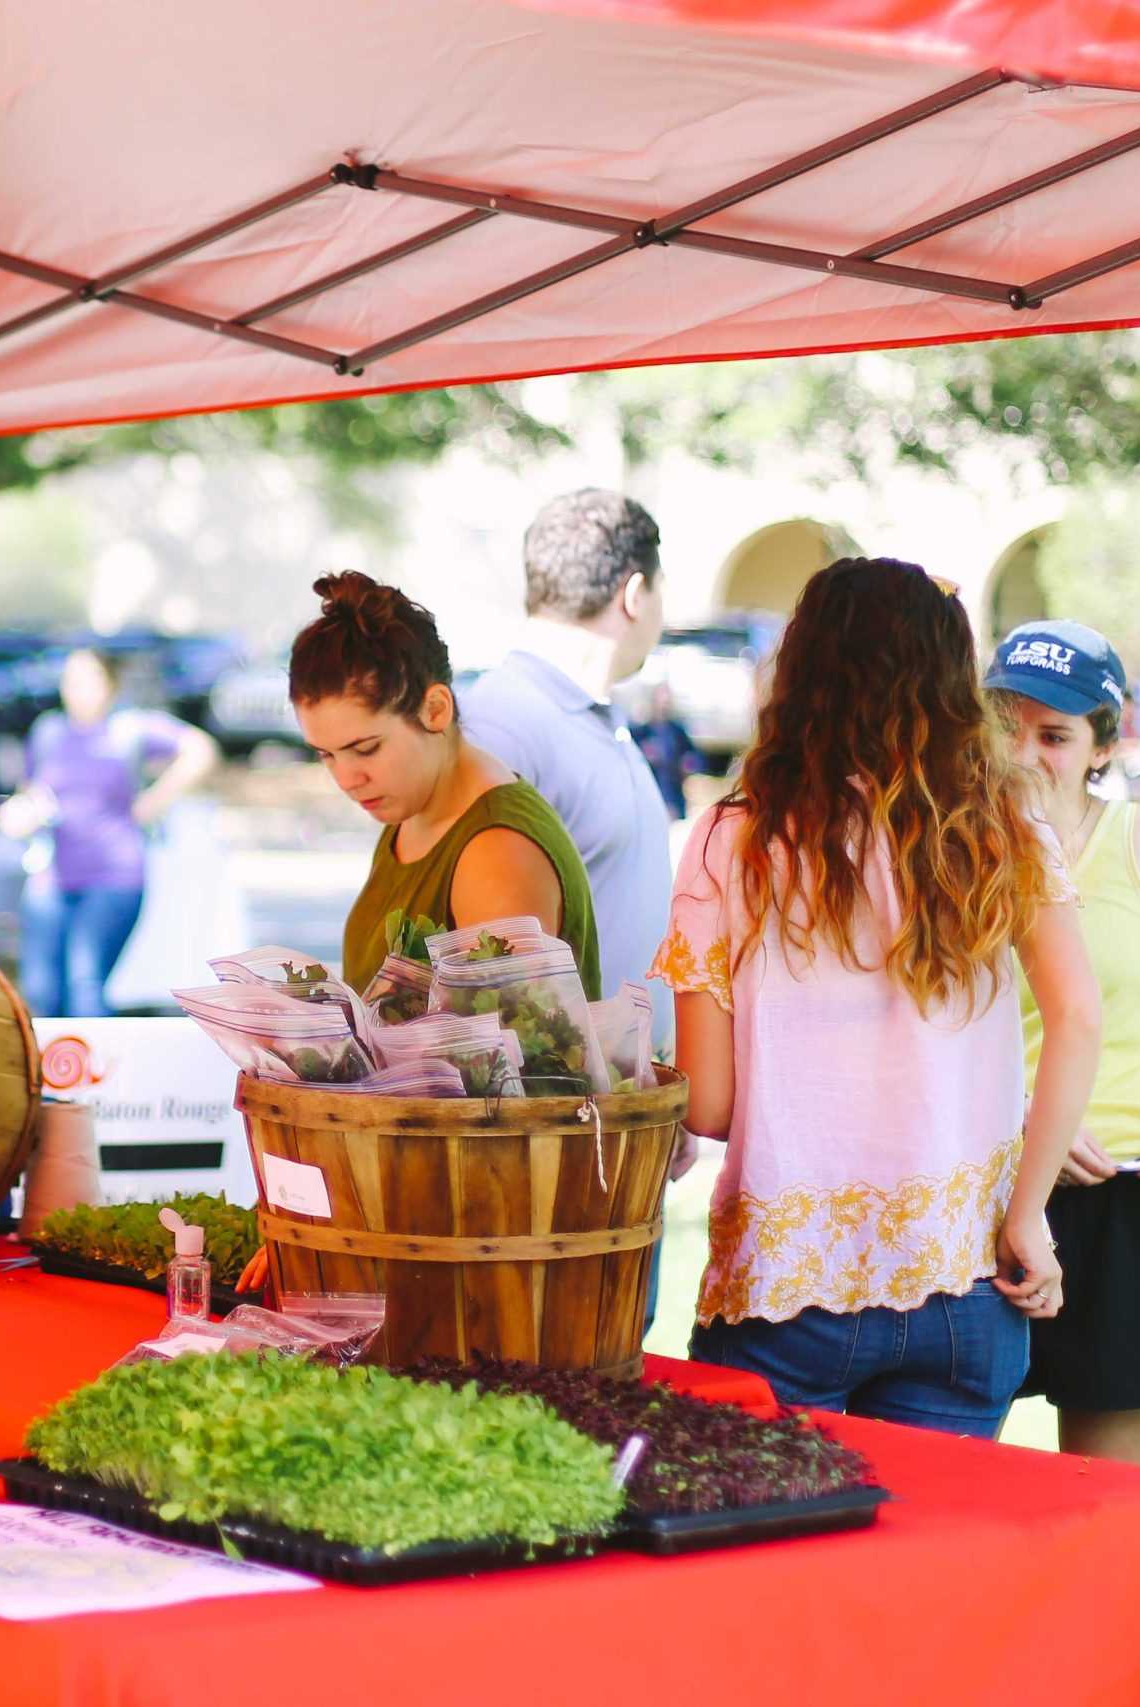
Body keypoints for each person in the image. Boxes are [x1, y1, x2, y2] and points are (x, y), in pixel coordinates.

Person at [658, 559, 1100, 1439]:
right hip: (966, 1275)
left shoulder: (729, 840)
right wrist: (1028, 1216)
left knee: (783, 1570)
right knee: (938, 1571)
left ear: (800, 674)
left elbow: (707, 1106)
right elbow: (1080, 1020)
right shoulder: (1003, 829)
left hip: (785, 1286)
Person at [989, 619, 1140, 1467]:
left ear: (1105, 742)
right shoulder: (948, 853)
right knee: (943, 1490)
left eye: (1054, 735)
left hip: (1129, 1198)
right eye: (1006, 725)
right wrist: (1029, 1121)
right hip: (981, 1191)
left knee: (1106, 1504)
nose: (1024, 753)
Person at [289, 571, 599, 997]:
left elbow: (508, 1056)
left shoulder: (496, 852)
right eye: (326, 754)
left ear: (435, 709)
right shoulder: (413, 808)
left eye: (366, 749)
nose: (346, 779)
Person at [461, 490, 673, 1041]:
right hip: (569, 1114)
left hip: (631, 1112)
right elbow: (478, 969)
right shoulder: (502, 724)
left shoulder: (594, 713)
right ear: (635, 594)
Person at [0, 648, 220, 1017]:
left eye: (88, 681)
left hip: (113, 876)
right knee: (40, 989)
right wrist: (24, 812)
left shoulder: (130, 729)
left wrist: (157, 798)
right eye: (70, 681)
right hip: (52, 876)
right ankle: (49, 1073)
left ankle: (91, 1074)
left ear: (110, 686)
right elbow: (35, 790)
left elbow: (200, 749)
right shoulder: (48, 732)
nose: (77, 690)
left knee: (85, 984)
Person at [629, 682, 706, 819]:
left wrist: (688, 765)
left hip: (674, 796)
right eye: (661, 700)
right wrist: (644, 756)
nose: (664, 704)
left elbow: (696, 760)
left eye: (667, 701)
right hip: (649, 796)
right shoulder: (640, 732)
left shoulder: (678, 732)